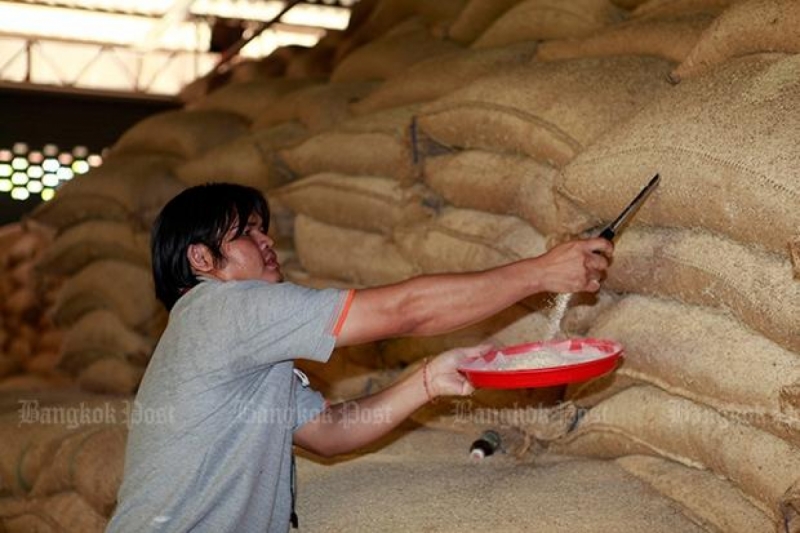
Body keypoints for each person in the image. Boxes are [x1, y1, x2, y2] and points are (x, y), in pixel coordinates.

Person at [106, 183, 612, 532]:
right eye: (247, 233)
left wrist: (428, 381)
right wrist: (541, 273)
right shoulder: (226, 308)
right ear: (202, 260)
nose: (267, 241)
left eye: (265, 230)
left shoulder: (239, 345)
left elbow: (330, 433)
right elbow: (406, 311)